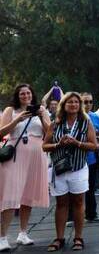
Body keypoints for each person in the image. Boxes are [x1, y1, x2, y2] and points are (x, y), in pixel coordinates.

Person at [43, 92, 98, 252]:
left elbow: (93, 145)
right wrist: (57, 145)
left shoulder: (85, 123)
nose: (73, 105)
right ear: (63, 105)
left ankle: (78, 237)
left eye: (76, 102)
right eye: (69, 102)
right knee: (61, 204)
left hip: (78, 167)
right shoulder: (55, 124)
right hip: (59, 169)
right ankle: (59, 238)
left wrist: (77, 143)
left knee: (79, 203)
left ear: (79, 105)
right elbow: (44, 146)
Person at [0, 84, 50, 251]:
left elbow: (50, 133)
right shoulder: (10, 110)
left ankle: (23, 233)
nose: (26, 96)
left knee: (27, 195)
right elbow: (1, 132)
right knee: (10, 195)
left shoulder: (41, 110)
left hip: (36, 155)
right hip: (16, 155)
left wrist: (43, 116)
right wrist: (17, 119)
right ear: (17, 95)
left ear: (32, 95)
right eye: (22, 93)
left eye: (28, 93)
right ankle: (2, 237)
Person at [82, 92, 99, 224]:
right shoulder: (74, 115)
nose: (88, 104)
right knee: (72, 190)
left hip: (90, 157)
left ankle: (91, 214)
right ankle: (70, 216)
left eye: (90, 102)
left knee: (90, 187)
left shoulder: (93, 116)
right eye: (85, 102)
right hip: (75, 158)